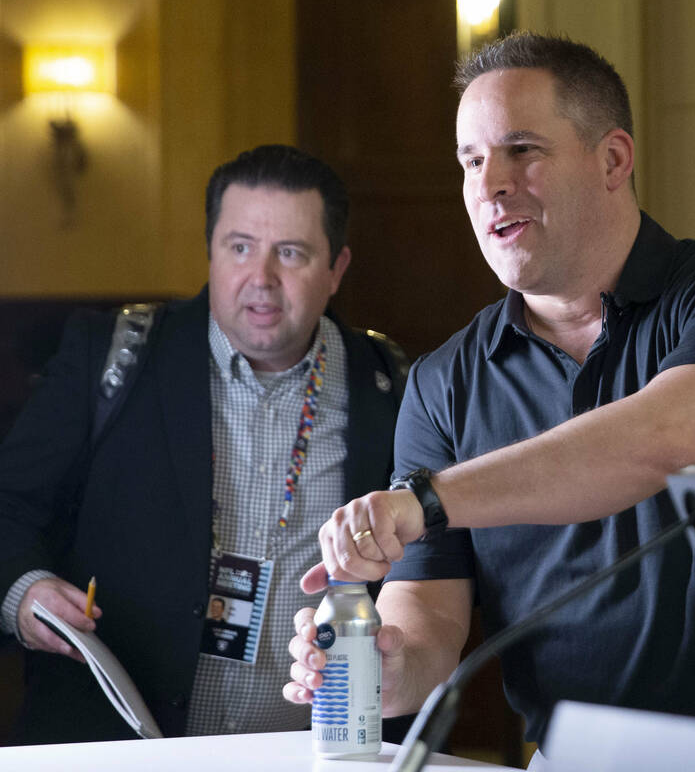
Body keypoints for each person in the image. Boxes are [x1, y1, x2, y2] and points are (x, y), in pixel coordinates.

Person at [283, 33, 695, 757]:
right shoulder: (444, 386)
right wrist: (385, 665)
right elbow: (431, 622)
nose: (489, 183)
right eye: (471, 160)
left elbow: (665, 439)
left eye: (522, 150)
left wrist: (426, 500)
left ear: (613, 160)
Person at [0, 145, 408, 744]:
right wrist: (22, 592)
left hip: (309, 751)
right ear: (212, 251)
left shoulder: (390, 384)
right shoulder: (112, 356)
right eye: (240, 247)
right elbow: (8, 506)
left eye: (290, 253)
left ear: (337, 268)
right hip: (115, 747)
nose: (261, 279)